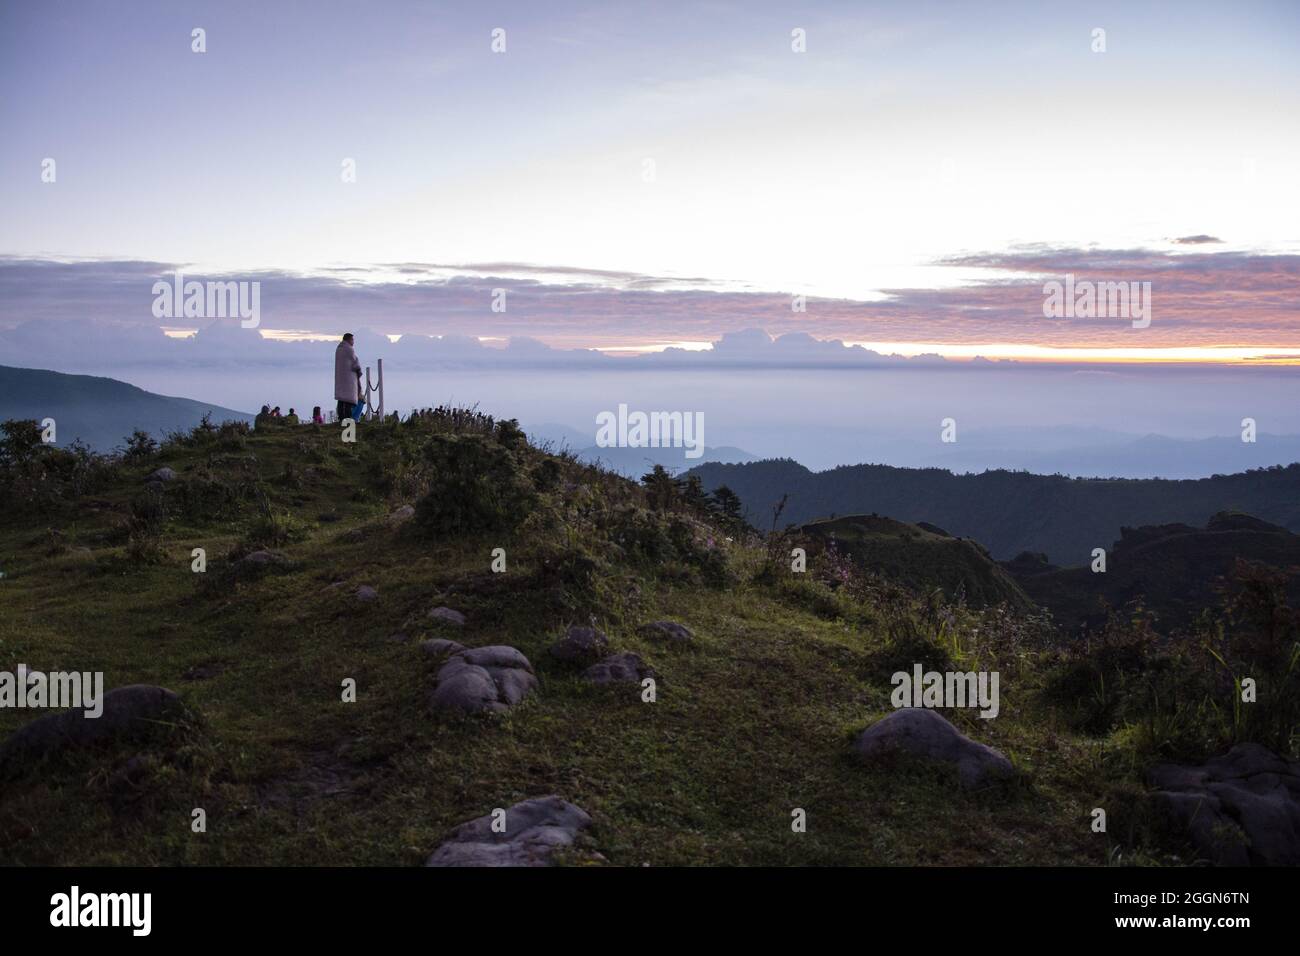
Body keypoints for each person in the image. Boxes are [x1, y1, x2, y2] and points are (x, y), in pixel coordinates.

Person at [335, 333, 362, 421]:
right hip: (348, 379)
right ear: (349, 340)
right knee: (347, 400)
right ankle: (347, 417)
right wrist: (359, 370)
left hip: (340, 378)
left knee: (341, 400)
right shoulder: (349, 349)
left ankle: (341, 417)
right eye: (352, 340)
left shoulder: (339, 349)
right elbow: (355, 363)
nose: (353, 342)